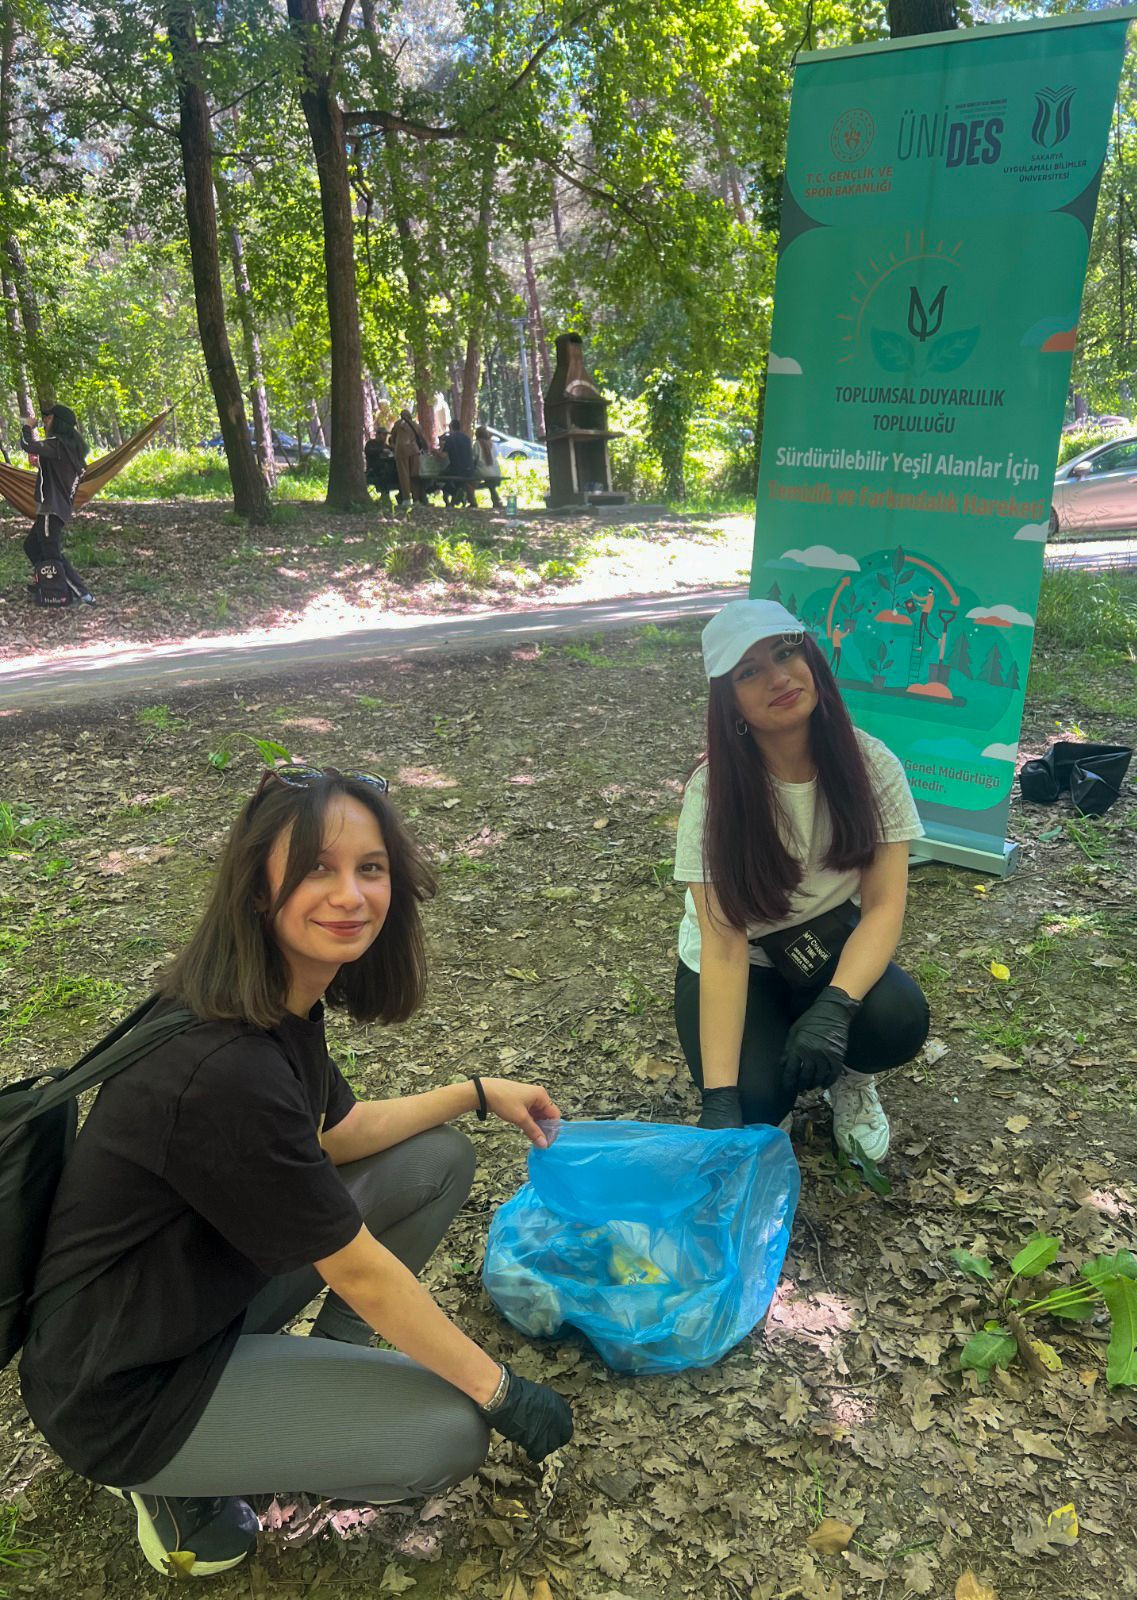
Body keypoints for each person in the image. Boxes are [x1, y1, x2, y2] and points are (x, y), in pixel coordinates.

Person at [19, 765, 573, 1579]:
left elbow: (339, 1133)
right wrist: (502, 1393)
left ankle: (329, 1380)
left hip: (196, 1295)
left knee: (435, 1160)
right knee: (448, 1435)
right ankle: (174, 1483)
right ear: (256, 887)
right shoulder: (223, 1067)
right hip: (127, 1389)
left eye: (370, 867)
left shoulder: (275, 1001)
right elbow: (360, 1270)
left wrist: (476, 1094)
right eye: (318, 867)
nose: (351, 895)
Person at [671, 599, 929, 1161]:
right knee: (755, 1096)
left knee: (897, 1018)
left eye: (786, 652)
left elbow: (884, 907)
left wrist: (836, 1008)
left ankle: (853, 1081)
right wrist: (720, 1099)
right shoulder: (713, 793)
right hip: (743, 962)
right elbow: (723, 945)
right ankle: (774, 1087)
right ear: (730, 701)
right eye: (749, 671)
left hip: (828, 945)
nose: (779, 676)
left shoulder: (872, 765)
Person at [21, 402, 93, 605]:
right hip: (56, 508)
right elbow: (59, 472)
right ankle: (49, 581)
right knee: (31, 546)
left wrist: (28, 426)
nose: (44, 421)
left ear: (59, 423)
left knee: (52, 553)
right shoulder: (68, 448)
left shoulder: (58, 444)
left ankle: (82, 593)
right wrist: (42, 463)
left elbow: (27, 444)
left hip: (51, 509)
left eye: (49, 418)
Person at [388, 409, 428, 508]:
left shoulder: (397, 424)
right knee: (414, 475)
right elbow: (422, 438)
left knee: (404, 475)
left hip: (400, 451)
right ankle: (416, 500)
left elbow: (391, 439)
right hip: (414, 451)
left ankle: (406, 500)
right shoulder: (415, 425)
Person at [438, 417, 475, 506]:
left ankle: (452, 493)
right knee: (458, 482)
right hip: (469, 470)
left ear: (451, 427)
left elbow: (443, 456)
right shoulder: (467, 438)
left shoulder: (451, 438)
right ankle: (457, 494)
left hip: (456, 469)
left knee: (439, 477)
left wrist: (435, 451)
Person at [364, 425, 399, 509]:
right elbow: (369, 451)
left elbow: (393, 450)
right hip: (374, 471)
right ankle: (384, 497)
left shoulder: (386, 445)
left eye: (386, 435)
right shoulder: (371, 444)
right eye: (384, 435)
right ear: (378, 435)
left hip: (388, 470)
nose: (385, 437)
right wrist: (382, 451)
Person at [472, 427, 504, 511]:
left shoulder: (477, 444)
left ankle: (472, 501)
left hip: (483, 472)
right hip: (496, 472)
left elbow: (474, 459)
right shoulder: (492, 444)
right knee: (490, 484)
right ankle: (497, 501)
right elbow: (495, 456)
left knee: (469, 481)